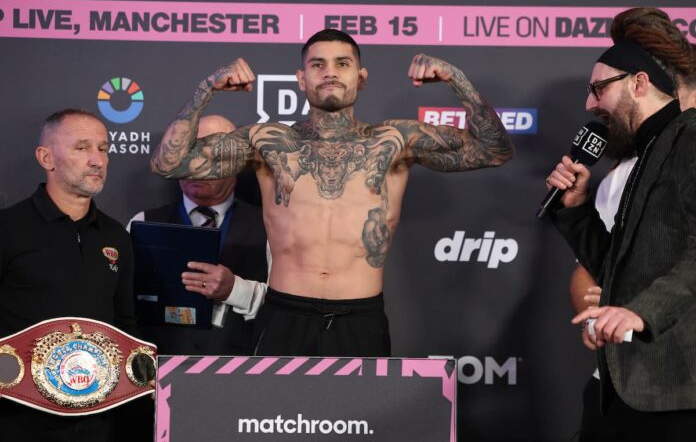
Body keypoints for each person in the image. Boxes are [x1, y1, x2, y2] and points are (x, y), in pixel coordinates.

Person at [150, 29, 514, 357]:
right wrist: (206, 89)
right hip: (284, 315)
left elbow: (494, 152)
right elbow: (170, 164)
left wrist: (458, 80)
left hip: (359, 317)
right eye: (317, 64)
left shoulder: (396, 142)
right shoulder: (269, 143)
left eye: (343, 63)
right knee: (273, 427)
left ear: (361, 77)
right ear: (301, 78)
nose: (330, 72)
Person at [546, 7, 696, 441]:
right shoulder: (645, 153)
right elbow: (619, 267)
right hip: (623, 389)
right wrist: (575, 209)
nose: (590, 104)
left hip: (678, 394)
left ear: (639, 82)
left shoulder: (690, 140)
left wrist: (640, 312)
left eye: (598, 89)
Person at [0, 109, 137, 441]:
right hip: (17, 418)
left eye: (103, 149)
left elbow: (125, 321)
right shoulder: (7, 228)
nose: (97, 160)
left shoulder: (116, 235)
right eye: (81, 148)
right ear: (46, 157)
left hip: (98, 420)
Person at [129, 114, 269, 356]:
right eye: (190, 152)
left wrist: (235, 290)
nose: (196, 164)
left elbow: (290, 308)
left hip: (244, 376)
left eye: (211, 153)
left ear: (236, 161)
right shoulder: (141, 223)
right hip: (158, 376)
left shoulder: (270, 225)